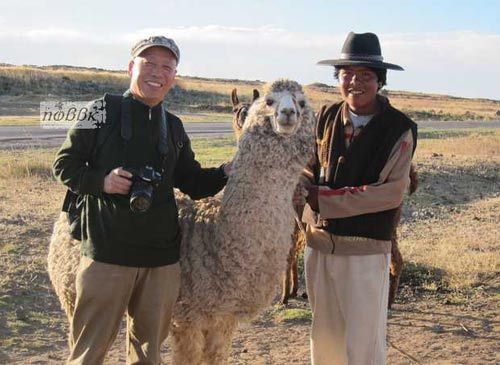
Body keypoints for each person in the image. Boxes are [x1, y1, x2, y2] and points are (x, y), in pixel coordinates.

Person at [53, 35, 231, 364]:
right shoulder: (99, 110)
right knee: (88, 353)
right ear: (131, 67)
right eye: (149, 63)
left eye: (167, 67)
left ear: (173, 77)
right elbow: (64, 165)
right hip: (107, 255)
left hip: (160, 262)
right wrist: (102, 181)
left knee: (148, 355)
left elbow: (191, 181)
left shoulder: (174, 127)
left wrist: (226, 170)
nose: (157, 72)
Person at [301, 32, 417, 364]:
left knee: (363, 342)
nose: (355, 82)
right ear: (337, 78)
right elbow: (309, 168)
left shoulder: (399, 129)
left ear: (380, 81)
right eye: (347, 74)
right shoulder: (325, 117)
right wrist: (302, 189)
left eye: (365, 75)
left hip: (365, 251)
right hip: (319, 245)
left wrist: (320, 199)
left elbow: (389, 193)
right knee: (324, 336)